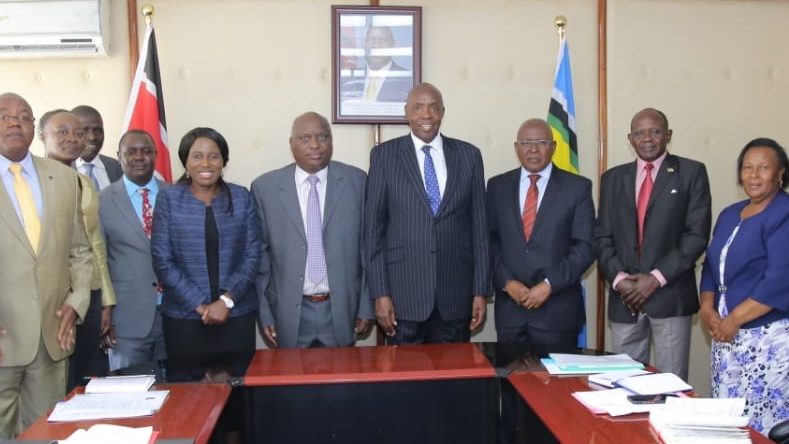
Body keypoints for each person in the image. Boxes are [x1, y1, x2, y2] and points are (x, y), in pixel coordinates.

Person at [0, 92, 92, 444]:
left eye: (24, 117)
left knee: (47, 439)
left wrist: (77, 301)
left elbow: (80, 251)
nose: (15, 123)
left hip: (52, 334)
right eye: (4, 117)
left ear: (34, 129)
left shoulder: (63, 177)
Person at [151, 126, 261, 444]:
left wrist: (225, 301)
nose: (206, 163)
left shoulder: (242, 199)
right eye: (197, 155)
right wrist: (201, 304)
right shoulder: (170, 200)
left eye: (213, 155)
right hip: (186, 320)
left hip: (236, 316)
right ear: (185, 161)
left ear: (224, 161)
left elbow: (252, 253)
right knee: (189, 400)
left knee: (233, 399)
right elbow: (162, 259)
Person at [700, 138, 789, 434]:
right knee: (731, 419)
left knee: (769, 424)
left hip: (772, 338)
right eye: (747, 168)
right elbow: (712, 265)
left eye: (763, 168)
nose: (753, 175)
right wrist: (707, 308)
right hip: (727, 335)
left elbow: (779, 281)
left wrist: (733, 320)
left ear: (781, 173)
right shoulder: (729, 214)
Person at [364, 83, 492, 344]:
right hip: (403, 297)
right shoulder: (384, 157)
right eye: (418, 108)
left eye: (434, 108)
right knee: (405, 380)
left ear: (442, 112)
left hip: (456, 296)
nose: (426, 115)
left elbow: (480, 229)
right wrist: (380, 293)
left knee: (453, 380)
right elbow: (373, 232)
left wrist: (480, 290)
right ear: (407, 113)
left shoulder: (469, 156)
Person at [594, 108, 711, 380]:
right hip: (626, 299)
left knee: (671, 385)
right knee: (623, 384)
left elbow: (696, 236)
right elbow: (602, 237)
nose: (647, 138)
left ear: (668, 135)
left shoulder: (691, 172)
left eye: (655, 131)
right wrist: (621, 279)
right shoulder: (613, 179)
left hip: (670, 296)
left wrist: (656, 278)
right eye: (639, 132)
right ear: (630, 138)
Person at [252, 112, 371, 348]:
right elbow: (260, 259)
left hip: (342, 309)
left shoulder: (357, 182)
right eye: (305, 138)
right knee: (293, 384)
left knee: (341, 383)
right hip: (288, 311)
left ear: (331, 141)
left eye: (323, 137)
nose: (315, 145)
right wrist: (264, 313)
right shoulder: (265, 188)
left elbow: (368, 249)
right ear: (291, 144)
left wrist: (366, 306)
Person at [487, 117, 595, 348]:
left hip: (557, 312)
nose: (533, 149)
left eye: (542, 142)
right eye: (526, 142)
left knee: (557, 385)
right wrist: (506, 282)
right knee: (510, 383)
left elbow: (585, 246)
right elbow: (488, 242)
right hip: (510, 313)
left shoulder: (577, 188)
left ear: (554, 146)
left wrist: (549, 284)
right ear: (517, 147)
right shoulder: (496, 187)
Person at [39, 108, 116, 388]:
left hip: (91, 293)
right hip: (54, 296)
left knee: (88, 379)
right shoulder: (31, 181)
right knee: (56, 381)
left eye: (78, 133)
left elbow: (95, 243)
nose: (73, 138)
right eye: (63, 132)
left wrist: (106, 299)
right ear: (43, 136)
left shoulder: (83, 182)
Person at [98, 129, 166, 370]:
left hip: (175, 315)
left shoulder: (174, 194)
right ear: (119, 156)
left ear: (156, 155)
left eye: (146, 151)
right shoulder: (102, 201)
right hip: (127, 318)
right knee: (130, 391)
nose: (139, 157)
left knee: (178, 390)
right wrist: (104, 310)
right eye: (131, 152)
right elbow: (99, 260)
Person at [354, 25, 412, 103]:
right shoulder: (349, 80)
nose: (376, 45)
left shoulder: (408, 81)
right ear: (363, 44)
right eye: (371, 39)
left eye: (382, 40)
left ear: (393, 45)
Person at [71, 104, 121, 191]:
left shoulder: (118, 168)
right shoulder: (60, 170)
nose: (92, 137)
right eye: (84, 131)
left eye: (97, 130)